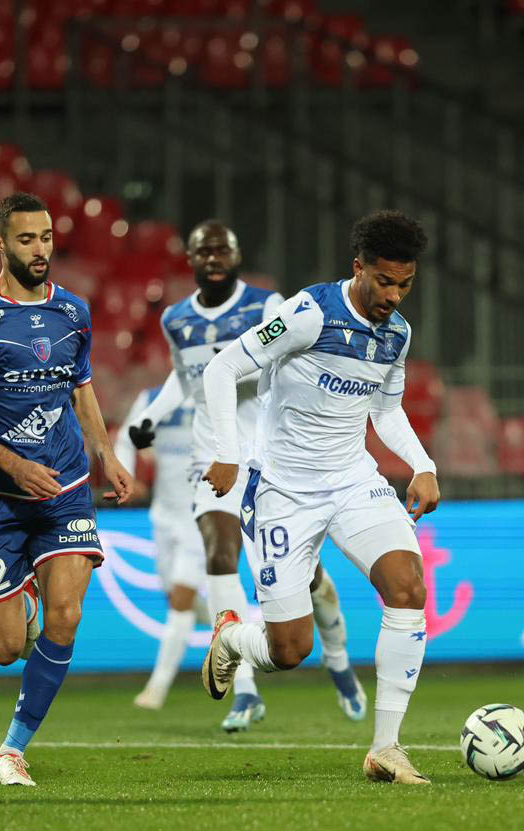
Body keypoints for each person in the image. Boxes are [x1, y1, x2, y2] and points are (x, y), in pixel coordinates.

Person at [198, 211, 440, 784]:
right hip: (283, 491)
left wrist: (424, 465)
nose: (393, 296)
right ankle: (231, 637)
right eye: (384, 281)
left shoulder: (396, 334)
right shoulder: (309, 313)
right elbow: (222, 368)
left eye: (405, 285)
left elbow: (385, 410)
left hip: (353, 481)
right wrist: (228, 452)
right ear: (358, 268)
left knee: (408, 587)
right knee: (289, 651)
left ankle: (386, 748)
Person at [127, 219, 366, 733]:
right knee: (219, 554)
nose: (214, 259)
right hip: (212, 459)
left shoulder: (266, 305)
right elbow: (185, 377)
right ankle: (245, 689)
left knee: (309, 580)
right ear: (191, 260)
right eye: (204, 251)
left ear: (236, 256)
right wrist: (152, 415)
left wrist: (232, 365)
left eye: (223, 250)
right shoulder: (175, 319)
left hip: (268, 461)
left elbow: (282, 366)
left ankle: (339, 660)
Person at [0, 191, 134, 788]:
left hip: (64, 486)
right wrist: (13, 466)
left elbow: (81, 385)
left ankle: (12, 751)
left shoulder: (73, 311)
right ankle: (21, 593)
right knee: (5, 648)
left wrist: (106, 454)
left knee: (65, 617)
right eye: (26, 239)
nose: (40, 249)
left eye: (45, 237)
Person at [113, 382, 202, 710]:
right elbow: (127, 437)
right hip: (164, 514)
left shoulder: (220, 389)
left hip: (202, 516)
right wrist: (128, 476)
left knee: (180, 600)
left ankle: (156, 689)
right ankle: (236, 627)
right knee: (176, 597)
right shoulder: (154, 399)